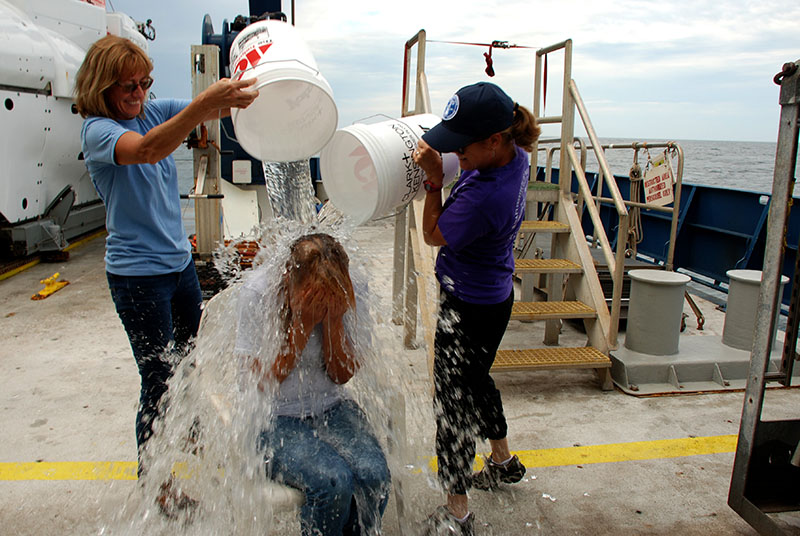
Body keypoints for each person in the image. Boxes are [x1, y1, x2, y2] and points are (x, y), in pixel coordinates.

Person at [74, 34, 258, 477]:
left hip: (179, 268)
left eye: (144, 83)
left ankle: (188, 436)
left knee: (190, 362)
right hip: (138, 279)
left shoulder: (151, 111)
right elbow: (148, 150)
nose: (140, 94)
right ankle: (154, 483)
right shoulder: (99, 131)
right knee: (157, 382)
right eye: (128, 87)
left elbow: (218, 109)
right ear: (103, 89)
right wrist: (200, 107)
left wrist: (254, 88)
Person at [412, 81, 541, 535]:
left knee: (452, 405)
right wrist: (451, 154)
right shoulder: (516, 155)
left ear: (493, 140)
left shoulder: (487, 196)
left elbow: (432, 233)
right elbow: (467, 158)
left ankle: (457, 512)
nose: (457, 154)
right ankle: (503, 462)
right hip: (495, 298)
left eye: (462, 146)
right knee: (477, 379)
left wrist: (433, 180)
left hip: (466, 306)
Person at [234, 233, 391, 536]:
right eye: (312, 299)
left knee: (374, 476)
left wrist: (332, 323)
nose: (322, 305)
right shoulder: (258, 293)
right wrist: (301, 329)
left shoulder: (351, 285)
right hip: (273, 415)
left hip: (332, 404)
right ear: (288, 282)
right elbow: (254, 384)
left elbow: (342, 375)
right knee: (333, 483)